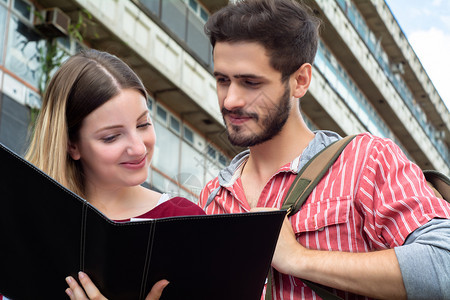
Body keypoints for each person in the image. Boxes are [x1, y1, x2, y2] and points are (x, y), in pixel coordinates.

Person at [198, 0, 450, 299]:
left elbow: (443, 265)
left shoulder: (366, 160)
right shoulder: (213, 196)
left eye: (250, 82)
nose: (230, 101)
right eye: (222, 80)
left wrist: (298, 258)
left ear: (300, 81)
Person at [18, 49, 204, 299]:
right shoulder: (26, 222)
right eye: (111, 137)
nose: (138, 148)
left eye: (143, 124)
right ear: (72, 145)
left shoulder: (184, 221)